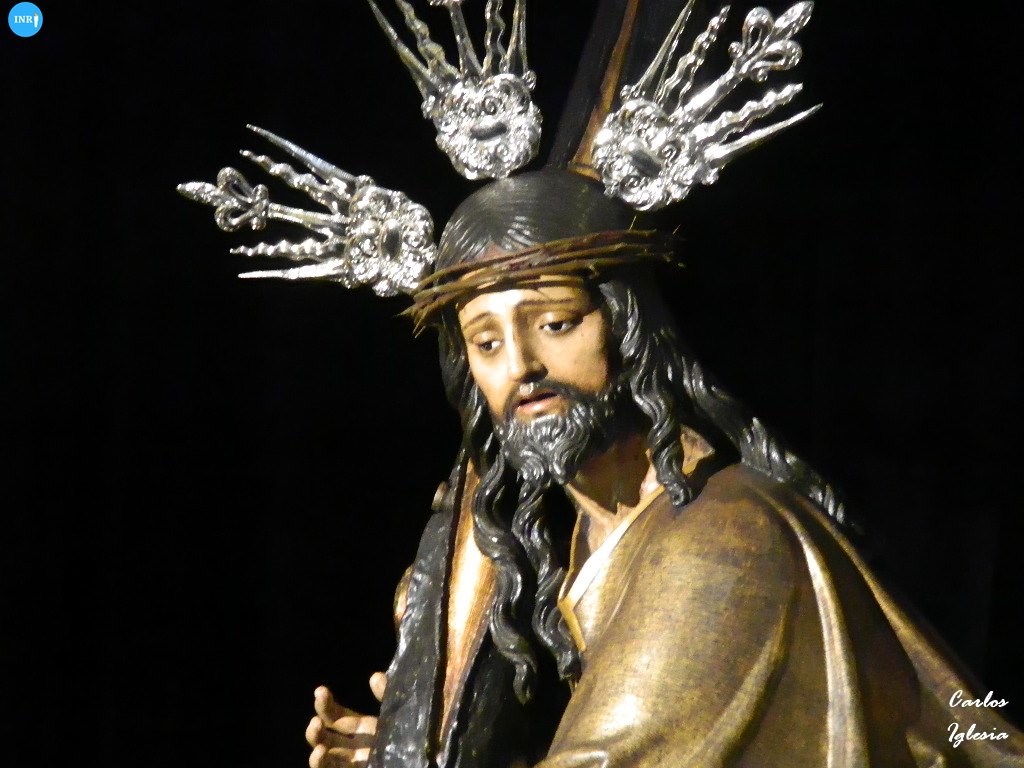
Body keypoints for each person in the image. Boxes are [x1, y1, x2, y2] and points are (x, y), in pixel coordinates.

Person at [179, 1, 1024, 765]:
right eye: (484, 342)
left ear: (626, 327)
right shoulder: (575, 541)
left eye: (555, 323)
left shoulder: (719, 540)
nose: (521, 365)